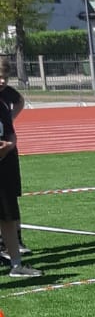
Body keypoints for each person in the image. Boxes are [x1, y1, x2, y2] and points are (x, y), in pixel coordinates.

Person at [0, 61, 34, 278]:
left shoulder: (5, 99)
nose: (2, 81)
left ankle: (16, 263)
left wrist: (9, 145)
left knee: (8, 215)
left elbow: (11, 133)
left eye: (5, 77)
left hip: (6, 164)